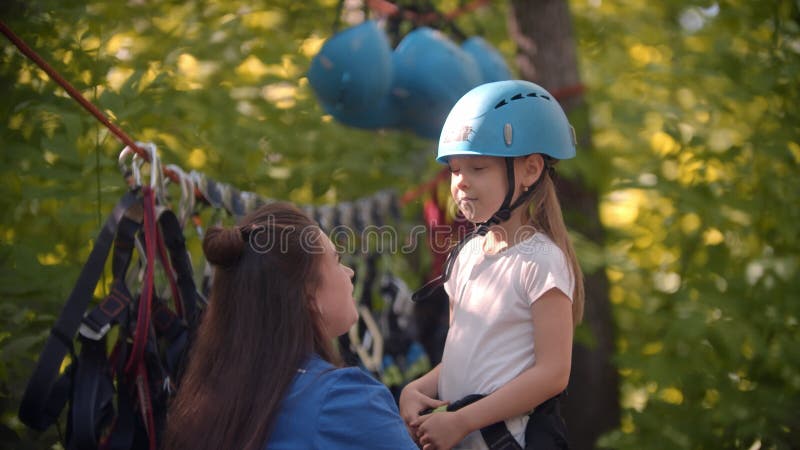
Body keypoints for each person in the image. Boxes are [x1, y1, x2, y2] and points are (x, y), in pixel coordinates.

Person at [399, 80, 585, 450]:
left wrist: (463, 420)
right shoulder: (465, 255)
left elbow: (553, 375)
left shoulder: (542, 262)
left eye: (478, 167)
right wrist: (416, 388)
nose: (461, 183)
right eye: (454, 170)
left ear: (530, 170)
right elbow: (462, 356)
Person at [162, 202, 418, 450]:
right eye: (337, 260)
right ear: (309, 294)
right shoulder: (343, 400)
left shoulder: (214, 395)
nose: (349, 272)